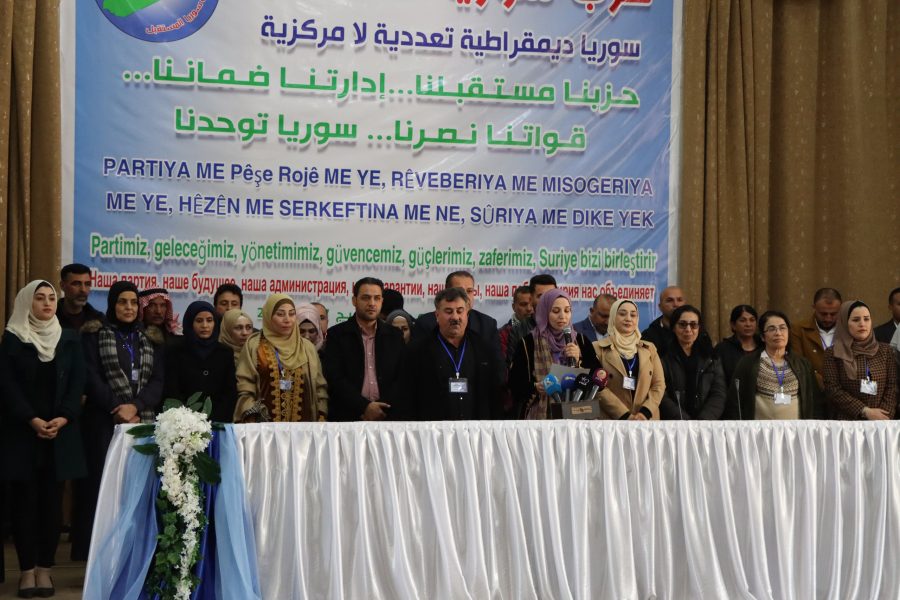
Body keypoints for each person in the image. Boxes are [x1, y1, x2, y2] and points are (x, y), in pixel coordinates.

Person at [0, 281, 86, 597]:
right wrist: (32, 419)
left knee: (52, 506)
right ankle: (26, 572)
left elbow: (77, 382)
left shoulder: (69, 338)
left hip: (59, 434)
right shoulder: (12, 339)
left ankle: (45, 570)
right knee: (24, 504)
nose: (48, 303)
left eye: (51, 298)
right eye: (40, 298)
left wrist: (64, 417)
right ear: (27, 302)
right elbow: (7, 386)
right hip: (23, 434)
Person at [73, 280, 164, 560]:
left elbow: (157, 381)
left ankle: (135, 552)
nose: (129, 307)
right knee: (103, 488)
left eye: (134, 302)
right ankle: (100, 556)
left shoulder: (150, 338)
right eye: (123, 302)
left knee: (138, 487)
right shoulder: (95, 335)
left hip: (142, 421)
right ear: (112, 304)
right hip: (104, 423)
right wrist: (117, 407)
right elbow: (91, 377)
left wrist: (136, 406)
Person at [404, 287, 501, 420]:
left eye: (460, 311)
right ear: (437, 315)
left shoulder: (484, 349)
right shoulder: (417, 351)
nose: (455, 317)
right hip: (434, 429)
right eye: (449, 311)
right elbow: (408, 398)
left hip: (476, 428)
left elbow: (494, 395)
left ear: (467, 314)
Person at [234, 294, 327, 422]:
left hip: (304, 428)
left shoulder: (307, 348)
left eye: (292, 314)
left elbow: (319, 388)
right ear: (268, 316)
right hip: (263, 427)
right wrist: (251, 417)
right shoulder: (254, 346)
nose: (287, 319)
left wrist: (321, 416)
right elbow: (245, 388)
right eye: (280, 314)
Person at [323, 278, 406, 421]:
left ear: (382, 301)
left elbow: (401, 378)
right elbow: (335, 379)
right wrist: (365, 407)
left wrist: (380, 408)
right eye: (366, 298)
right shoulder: (337, 335)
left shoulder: (395, 336)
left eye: (377, 298)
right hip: (348, 417)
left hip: (387, 416)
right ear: (354, 300)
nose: (372, 303)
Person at [509, 288, 598, 419]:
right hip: (541, 416)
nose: (562, 316)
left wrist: (579, 359)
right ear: (544, 312)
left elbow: (597, 379)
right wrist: (536, 387)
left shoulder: (581, 341)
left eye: (567, 311)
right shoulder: (528, 343)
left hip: (577, 414)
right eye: (556, 311)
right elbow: (514, 383)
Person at [727, 310, 820, 420]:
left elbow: (815, 401)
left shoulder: (803, 364)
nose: (778, 333)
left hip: (796, 429)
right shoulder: (748, 363)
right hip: (760, 429)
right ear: (762, 336)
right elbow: (735, 402)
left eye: (782, 328)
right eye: (771, 329)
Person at [164, 301, 237, 423]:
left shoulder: (225, 353)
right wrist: (188, 419)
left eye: (209, 320)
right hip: (184, 423)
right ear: (190, 323)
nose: (205, 325)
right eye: (199, 321)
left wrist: (214, 419)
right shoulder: (176, 351)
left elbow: (230, 392)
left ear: (215, 323)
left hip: (218, 421)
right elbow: (172, 390)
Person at [590, 299, 665, 419]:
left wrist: (645, 412)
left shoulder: (649, 348)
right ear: (613, 317)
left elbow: (659, 385)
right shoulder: (597, 348)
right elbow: (598, 387)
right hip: (612, 421)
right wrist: (625, 415)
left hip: (646, 421)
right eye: (622, 314)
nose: (628, 319)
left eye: (633, 315)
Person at [824, 301, 897, 419]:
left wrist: (883, 415)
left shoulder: (885, 350)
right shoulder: (833, 353)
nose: (862, 324)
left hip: (881, 421)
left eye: (866, 319)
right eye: (856, 320)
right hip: (847, 422)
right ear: (844, 323)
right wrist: (864, 411)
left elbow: (892, 386)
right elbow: (833, 390)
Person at [659, 305, 726, 420]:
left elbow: (719, 393)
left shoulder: (711, 357)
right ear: (673, 327)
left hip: (706, 424)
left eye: (694, 325)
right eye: (682, 324)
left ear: (699, 328)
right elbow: (660, 394)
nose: (688, 329)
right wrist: (683, 420)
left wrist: (703, 421)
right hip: (673, 424)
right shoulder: (662, 357)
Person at [790, 287, 842, 391]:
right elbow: (798, 364)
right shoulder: (798, 330)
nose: (828, 318)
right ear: (814, 308)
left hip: (843, 391)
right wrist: (827, 386)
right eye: (823, 314)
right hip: (812, 390)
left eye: (833, 314)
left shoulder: (848, 330)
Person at [714, 305, 763, 385]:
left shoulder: (764, 346)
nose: (748, 324)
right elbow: (718, 381)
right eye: (742, 320)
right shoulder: (722, 349)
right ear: (733, 325)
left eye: (752, 320)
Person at [640, 285, 687, 357]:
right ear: (660, 307)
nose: (676, 304)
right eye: (670, 300)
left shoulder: (696, 331)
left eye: (679, 300)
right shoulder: (648, 336)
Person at [56, 263, 104, 331]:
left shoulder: (100, 320)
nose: (83, 290)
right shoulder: (51, 318)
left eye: (87, 284)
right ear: (62, 286)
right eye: (76, 284)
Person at [498, 285, 533, 366]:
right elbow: (503, 367)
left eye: (532, 304)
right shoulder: (502, 334)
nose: (529, 308)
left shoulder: (543, 330)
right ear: (513, 307)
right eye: (523, 304)